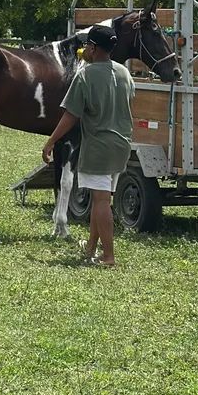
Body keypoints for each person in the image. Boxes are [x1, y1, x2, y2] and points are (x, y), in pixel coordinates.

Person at [42, 25, 135, 267]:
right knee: (100, 199)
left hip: (99, 148)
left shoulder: (85, 75)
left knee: (102, 202)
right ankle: (92, 247)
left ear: (92, 48)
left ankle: (109, 256)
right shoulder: (125, 73)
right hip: (122, 144)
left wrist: (51, 141)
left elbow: (70, 115)